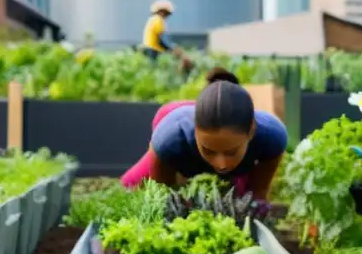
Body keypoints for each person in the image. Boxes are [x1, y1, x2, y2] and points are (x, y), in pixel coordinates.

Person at [120, 68, 288, 203]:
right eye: (209, 151)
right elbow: (162, 195)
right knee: (130, 188)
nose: (221, 164)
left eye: (231, 152)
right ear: (195, 131)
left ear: (250, 132)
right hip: (172, 122)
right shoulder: (169, 138)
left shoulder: (271, 136)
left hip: (226, 141)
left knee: (237, 200)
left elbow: (259, 193)